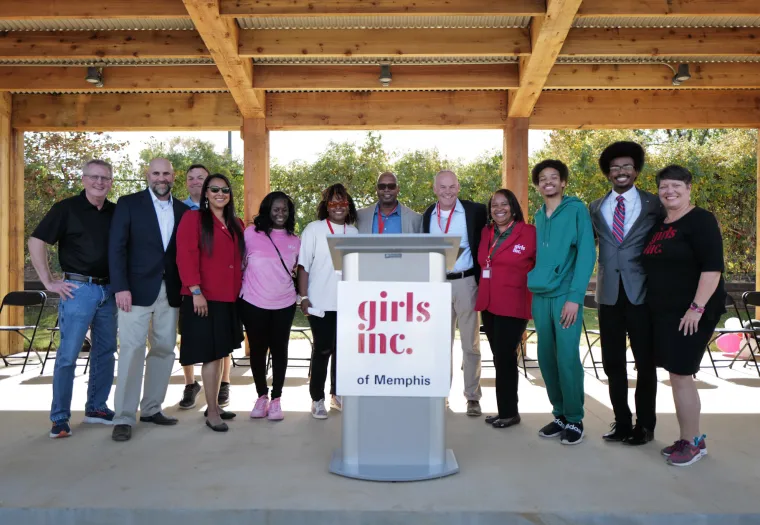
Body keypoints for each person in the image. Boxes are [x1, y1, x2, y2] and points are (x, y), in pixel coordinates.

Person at [641, 165, 726, 467]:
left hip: (692, 311)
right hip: (665, 311)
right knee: (676, 374)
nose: (670, 191)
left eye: (677, 185)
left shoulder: (700, 220)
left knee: (680, 374)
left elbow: (712, 267)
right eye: (664, 186)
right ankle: (688, 437)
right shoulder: (661, 224)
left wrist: (697, 307)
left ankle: (693, 442)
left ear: (689, 188)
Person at [28, 160, 118, 439]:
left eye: (105, 178)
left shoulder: (115, 212)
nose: (99, 182)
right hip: (78, 290)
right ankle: (59, 418)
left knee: (105, 352)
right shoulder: (66, 209)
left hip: (110, 290)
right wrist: (48, 281)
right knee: (68, 355)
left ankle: (96, 408)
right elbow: (36, 241)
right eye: (94, 177)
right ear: (83, 179)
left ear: (111, 181)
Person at [108, 158, 189, 442]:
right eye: (156, 173)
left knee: (165, 348)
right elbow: (116, 248)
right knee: (131, 350)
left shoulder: (182, 210)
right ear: (147, 175)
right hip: (135, 291)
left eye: (166, 173)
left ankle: (152, 408)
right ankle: (124, 417)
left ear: (173, 177)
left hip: (171, 290)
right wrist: (120, 287)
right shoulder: (128, 204)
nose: (161, 178)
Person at [590, 141, 662, 445]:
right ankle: (621, 421)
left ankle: (645, 425)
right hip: (608, 295)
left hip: (641, 293)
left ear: (636, 171)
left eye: (627, 167)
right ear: (608, 173)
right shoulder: (595, 207)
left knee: (645, 362)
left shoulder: (653, 205)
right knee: (612, 363)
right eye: (615, 167)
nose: (621, 172)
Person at [528, 160, 595, 445]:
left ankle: (575, 417)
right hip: (540, 295)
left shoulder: (576, 209)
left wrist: (574, 298)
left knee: (567, 357)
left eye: (554, 177)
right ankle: (559, 415)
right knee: (545, 357)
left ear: (563, 182)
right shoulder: (538, 215)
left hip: (565, 295)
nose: (548, 182)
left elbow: (586, 254)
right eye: (542, 178)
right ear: (537, 185)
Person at [176, 174, 245, 432]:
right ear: (205, 193)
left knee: (221, 353)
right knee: (210, 356)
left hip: (228, 298)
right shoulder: (193, 218)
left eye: (224, 189)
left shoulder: (235, 223)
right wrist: (195, 291)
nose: (220, 193)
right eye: (214, 189)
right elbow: (185, 254)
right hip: (203, 298)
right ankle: (212, 411)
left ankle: (214, 404)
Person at [422, 170, 487, 416]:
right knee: (440, 343)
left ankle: (472, 396)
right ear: (435, 188)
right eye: (443, 187)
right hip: (438, 284)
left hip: (466, 281)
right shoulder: (428, 214)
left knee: (470, 343)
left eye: (452, 186)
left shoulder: (475, 211)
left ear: (458, 187)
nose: (447, 191)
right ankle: (441, 394)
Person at [475, 189, 536, 429]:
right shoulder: (486, 232)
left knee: (505, 357)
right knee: (499, 357)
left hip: (513, 304)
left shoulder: (528, 232)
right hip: (489, 303)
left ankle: (510, 412)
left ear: (513, 206)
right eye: (494, 205)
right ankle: (505, 410)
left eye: (504, 204)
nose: (498, 208)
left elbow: (539, 263)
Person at [298, 184, 358, 419]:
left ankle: (337, 394)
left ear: (348, 206)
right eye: (333, 202)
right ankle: (317, 399)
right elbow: (303, 265)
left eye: (342, 202)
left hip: (347, 303)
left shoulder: (353, 233)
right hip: (320, 302)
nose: (338, 207)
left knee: (343, 351)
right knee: (323, 350)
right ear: (326, 206)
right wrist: (304, 297)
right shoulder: (314, 229)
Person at [238, 192, 300, 421]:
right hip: (253, 302)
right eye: (276, 209)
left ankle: (276, 399)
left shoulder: (295, 240)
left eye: (284, 209)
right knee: (257, 350)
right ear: (267, 210)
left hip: (284, 304)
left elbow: (300, 271)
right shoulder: (250, 234)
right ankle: (261, 396)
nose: (280, 213)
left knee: (280, 350)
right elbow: (240, 263)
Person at [356, 171, 422, 234]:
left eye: (391, 186)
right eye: (382, 186)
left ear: (398, 189)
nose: (386, 190)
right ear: (376, 189)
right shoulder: (360, 216)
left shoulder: (415, 219)